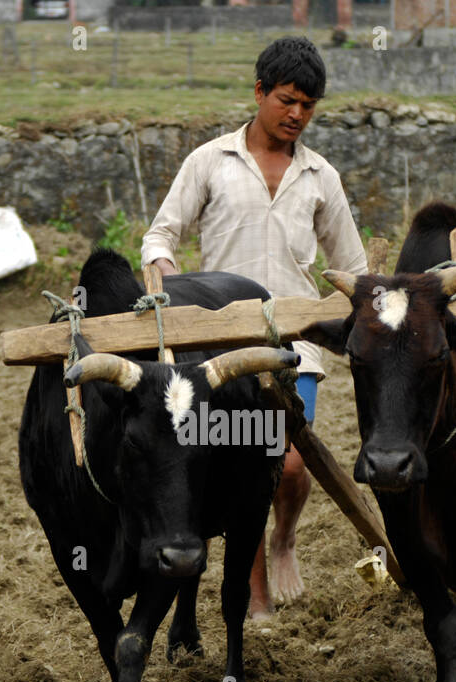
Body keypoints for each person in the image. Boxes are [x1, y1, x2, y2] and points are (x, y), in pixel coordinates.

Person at [140, 37, 368, 619]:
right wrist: (163, 270)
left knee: (289, 466)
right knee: (246, 465)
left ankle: (284, 537)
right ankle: (256, 596)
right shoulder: (209, 162)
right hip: (216, 344)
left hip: (291, 344)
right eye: (287, 101)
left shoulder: (320, 175)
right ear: (260, 92)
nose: (296, 115)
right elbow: (161, 234)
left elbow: (353, 265)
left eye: (309, 106)